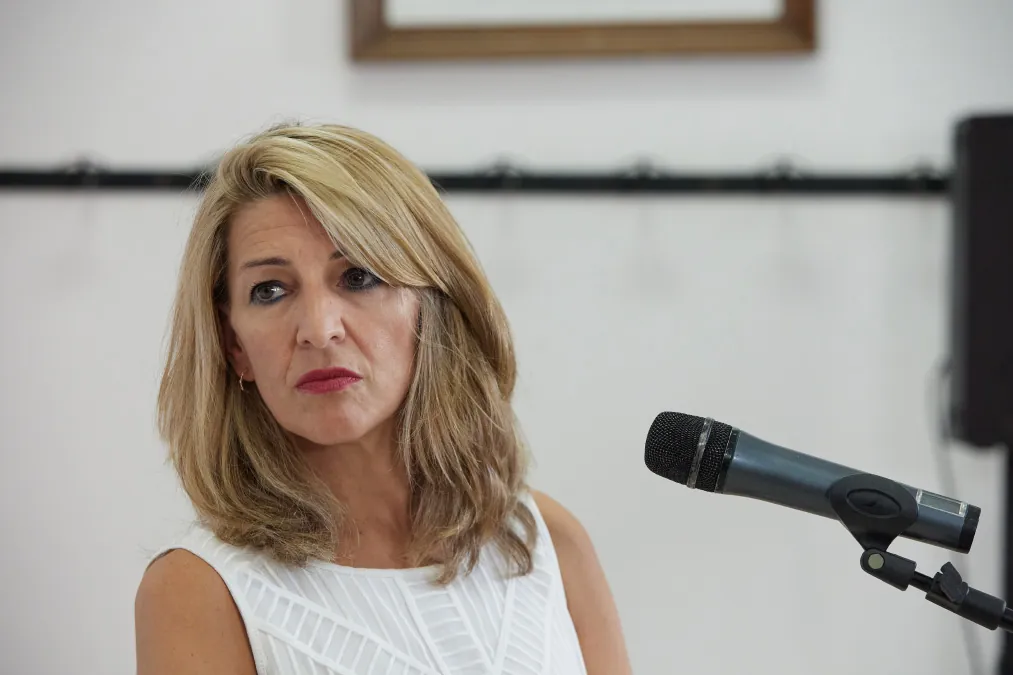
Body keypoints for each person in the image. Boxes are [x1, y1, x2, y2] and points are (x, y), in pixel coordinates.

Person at [134, 123, 632, 675]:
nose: (319, 329)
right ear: (234, 346)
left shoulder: (545, 541)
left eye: (358, 277)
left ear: (431, 306)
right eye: (270, 290)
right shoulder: (198, 591)